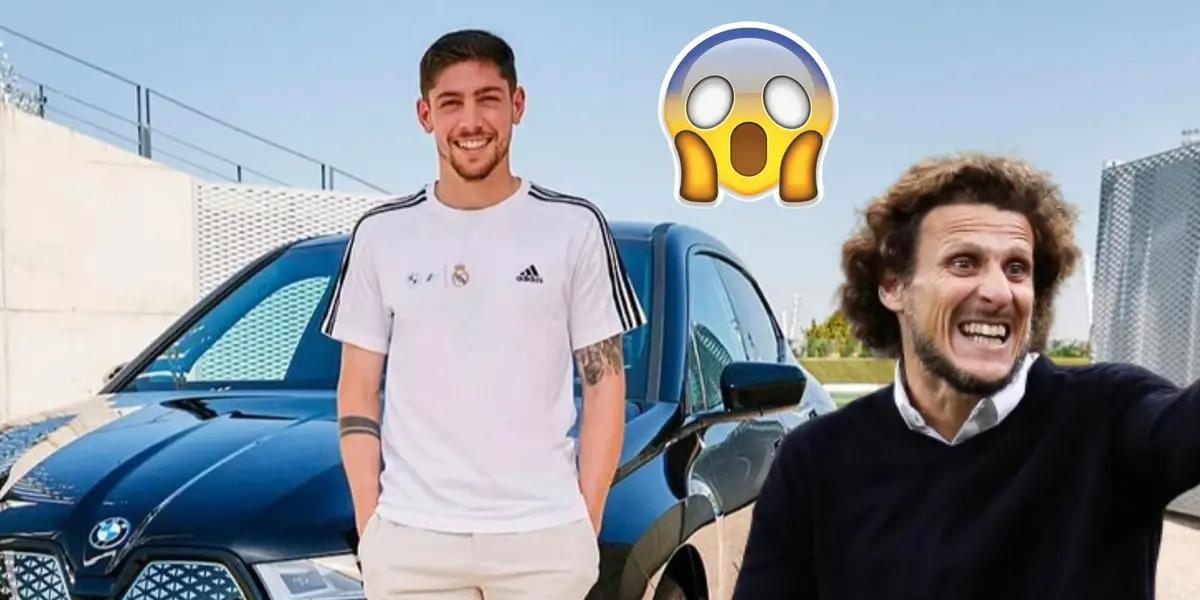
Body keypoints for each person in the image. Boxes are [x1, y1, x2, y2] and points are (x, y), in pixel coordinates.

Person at [732, 153, 1200, 599]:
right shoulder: (815, 461)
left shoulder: (1110, 414)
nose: (999, 291)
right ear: (894, 285)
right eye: (964, 263)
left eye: (1017, 269)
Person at [322, 29, 645, 599]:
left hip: (542, 541)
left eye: (488, 98)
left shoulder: (573, 228)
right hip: (411, 542)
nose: (471, 120)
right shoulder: (381, 235)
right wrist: (371, 523)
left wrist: (583, 521)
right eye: (451, 103)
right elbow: (357, 387)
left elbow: (604, 384)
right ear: (425, 115)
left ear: (517, 105)